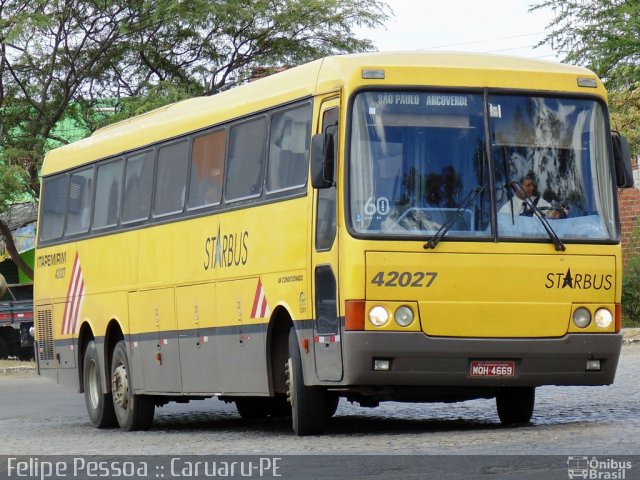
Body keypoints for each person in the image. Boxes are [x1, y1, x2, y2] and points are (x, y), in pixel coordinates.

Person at [500, 172, 566, 219]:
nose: (532, 188)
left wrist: (556, 214)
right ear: (517, 187)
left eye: (532, 184)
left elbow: (550, 213)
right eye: (528, 185)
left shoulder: (539, 202)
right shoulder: (505, 211)